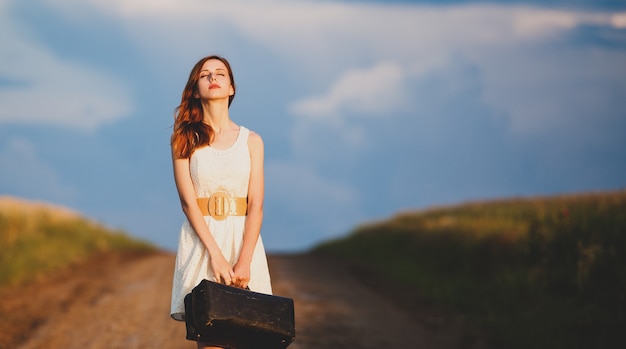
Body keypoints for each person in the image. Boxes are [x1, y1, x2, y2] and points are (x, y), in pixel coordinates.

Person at [169, 55, 273, 348]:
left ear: (231, 87)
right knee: (212, 338)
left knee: (250, 335)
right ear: (196, 89)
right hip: (203, 243)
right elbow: (188, 202)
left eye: (220, 73)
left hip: (243, 243)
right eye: (205, 75)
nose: (213, 77)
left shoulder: (252, 140)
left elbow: (256, 205)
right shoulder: (184, 138)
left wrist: (244, 261)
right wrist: (215, 254)